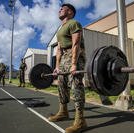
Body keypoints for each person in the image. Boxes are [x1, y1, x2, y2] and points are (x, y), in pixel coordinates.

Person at [47, 3, 87, 133]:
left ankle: (80, 120)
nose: (59, 10)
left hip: (75, 56)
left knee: (75, 85)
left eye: (62, 8)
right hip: (64, 58)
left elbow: (76, 43)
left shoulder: (74, 23)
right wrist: (57, 66)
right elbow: (58, 49)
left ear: (70, 12)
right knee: (61, 84)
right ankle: (63, 112)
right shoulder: (60, 29)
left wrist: (74, 63)